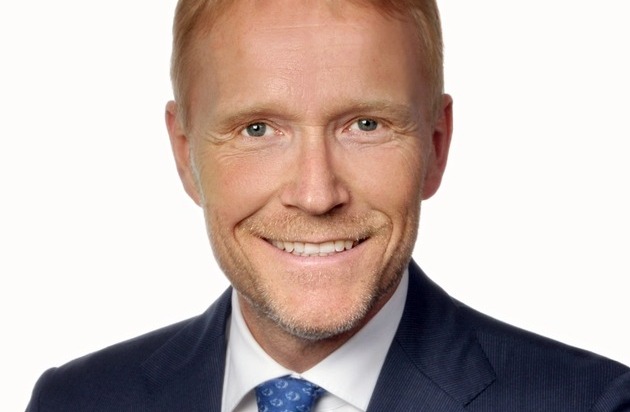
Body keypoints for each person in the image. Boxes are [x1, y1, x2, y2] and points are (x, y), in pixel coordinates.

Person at [26, 0, 630, 410]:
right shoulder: (75, 400)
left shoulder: (592, 403)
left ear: (436, 145)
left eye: (365, 125)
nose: (317, 195)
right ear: (186, 156)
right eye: (258, 129)